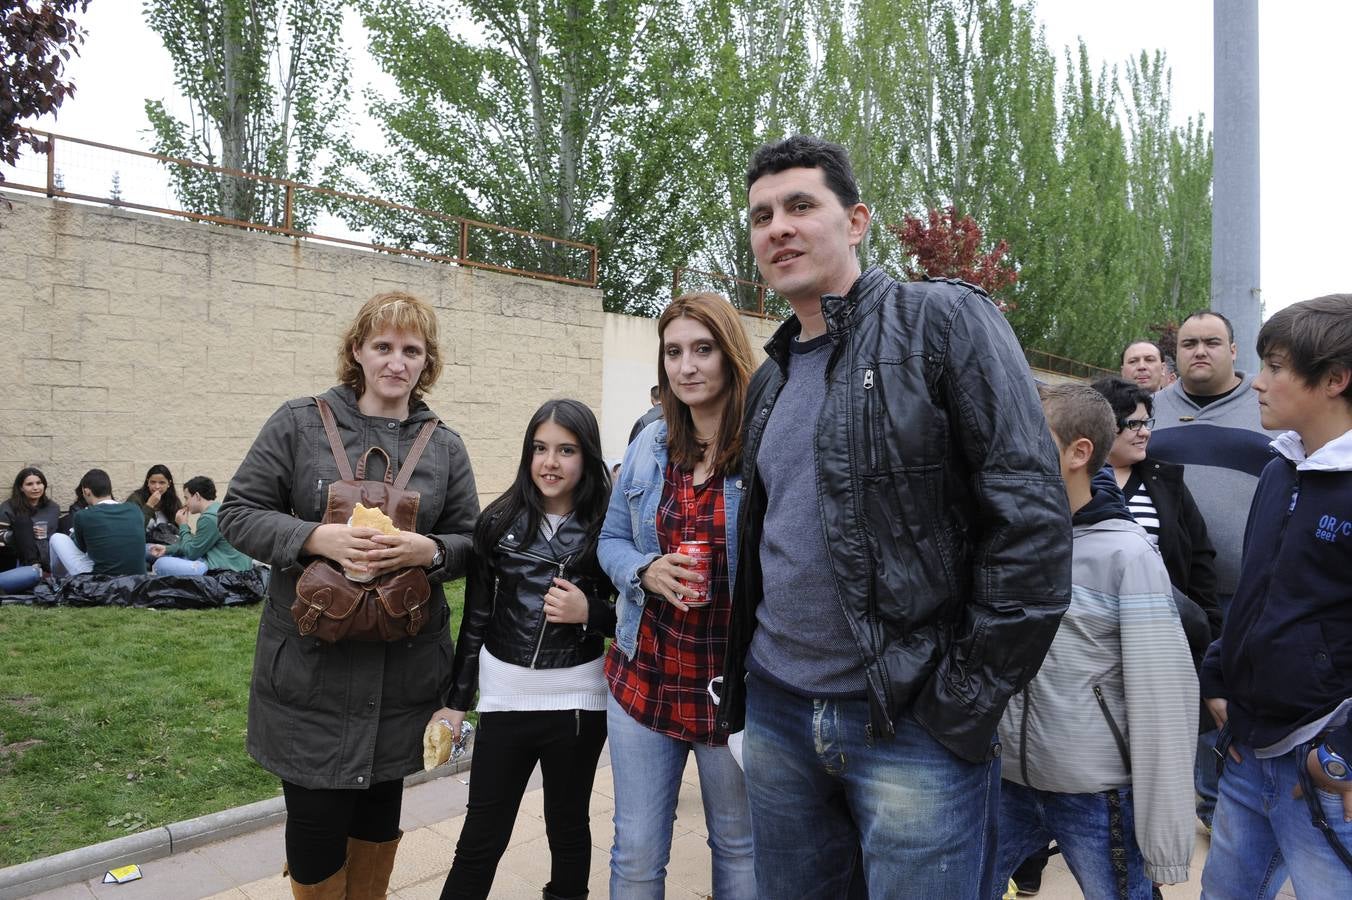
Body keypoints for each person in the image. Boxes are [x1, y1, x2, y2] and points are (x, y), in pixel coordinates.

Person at [720, 135, 1071, 899]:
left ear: (856, 221)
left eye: (800, 205)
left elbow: (1033, 530)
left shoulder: (944, 322)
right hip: (779, 713)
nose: (777, 226)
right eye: (761, 215)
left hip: (911, 723)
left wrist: (959, 708)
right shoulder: (771, 378)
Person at [218, 291, 479, 899]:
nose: (397, 362)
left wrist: (430, 552)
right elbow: (238, 513)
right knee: (314, 832)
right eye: (383, 346)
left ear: (426, 362)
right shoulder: (298, 422)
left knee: (378, 822)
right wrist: (315, 537)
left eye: (411, 350)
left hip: (404, 674)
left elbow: (470, 540)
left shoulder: (444, 446)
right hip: (311, 676)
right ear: (357, 351)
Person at [995, 383, 1198, 897]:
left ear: (1078, 452)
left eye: (1028, 437)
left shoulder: (1127, 558)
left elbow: (1163, 700)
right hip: (1005, 782)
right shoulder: (1005, 540)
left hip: (1095, 793)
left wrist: (1164, 838)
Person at [599, 291, 758, 899]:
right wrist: (644, 570)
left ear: (730, 356)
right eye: (673, 352)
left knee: (740, 852)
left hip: (731, 690)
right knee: (636, 852)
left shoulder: (763, 451)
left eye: (702, 349)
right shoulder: (649, 447)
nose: (686, 366)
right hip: (647, 677)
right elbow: (610, 538)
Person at [1199, 294, 1352, 897]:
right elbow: (1258, 590)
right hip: (1247, 747)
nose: (1257, 384)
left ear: (1336, 379)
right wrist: (1218, 676)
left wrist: (1339, 752)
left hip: (1320, 766)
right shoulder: (1279, 467)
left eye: (1277, 367)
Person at [436, 399, 616, 900]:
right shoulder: (497, 521)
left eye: (566, 450)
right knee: (480, 839)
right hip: (505, 701)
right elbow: (476, 618)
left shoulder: (611, 525)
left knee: (568, 830)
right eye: (540, 448)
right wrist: (455, 702)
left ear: (588, 457)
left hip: (578, 704)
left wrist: (593, 614)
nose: (550, 463)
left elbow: (639, 616)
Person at [1148, 309, 1276, 829]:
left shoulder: (1267, 406)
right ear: (1175, 354)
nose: (1200, 351)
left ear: (1233, 350)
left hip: (1253, 587)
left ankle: (1244, 799)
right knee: (1193, 696)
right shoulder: (1149, 410)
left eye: (1212, 342)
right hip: (1175, 593)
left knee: (1246, 694)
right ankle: (1207, 801)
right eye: (1189, 343)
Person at [1090, 376, 1220, 660]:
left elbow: (1199, 558)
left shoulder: (1166, 482)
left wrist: (1208, 630)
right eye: (1133, 424)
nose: (1144, 432)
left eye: (1146, 423)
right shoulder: (1073, 482)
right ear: (1102, 426)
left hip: (1160, 636)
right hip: (1091, 637)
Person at [48, 469, 147, 578]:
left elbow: (81, 548)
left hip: (101, 582)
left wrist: (74, 534)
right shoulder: (135, 509)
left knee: (56, 538)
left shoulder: (83, 515)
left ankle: (58, 582)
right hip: (139, 580)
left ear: (86, 491)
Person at [148, 476, 254, 576]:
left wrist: (183, 525)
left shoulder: (209, 518)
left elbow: (191, 553)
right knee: (156, 551)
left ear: (197, 496)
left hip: (225, 570)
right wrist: (167, 549)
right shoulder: (218, 509)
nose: (185, 503)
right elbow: (196, 544)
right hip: (233, 565)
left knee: (160, 564)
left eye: (187, 498)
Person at [0, 467, 61, 588]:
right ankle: (33, 567)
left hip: (46, 555)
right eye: (29, 484)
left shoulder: (53, 508)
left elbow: (56, 536)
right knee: (23, 522)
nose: (35, 488)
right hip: (16, 556)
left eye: (39, 483)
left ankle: (42, 572)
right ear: (21, 488)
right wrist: (25, 534)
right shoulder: (9, 506)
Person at [128, 464, 183, 538]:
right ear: (148, 482)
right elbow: (132, 528)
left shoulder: (173, 500)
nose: (157, 486)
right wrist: (149, 505)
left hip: (167, 546)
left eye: (162, 483)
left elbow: (180, 530)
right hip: (142, 544)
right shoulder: (135, 498)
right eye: (153, 482)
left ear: (169, 483)